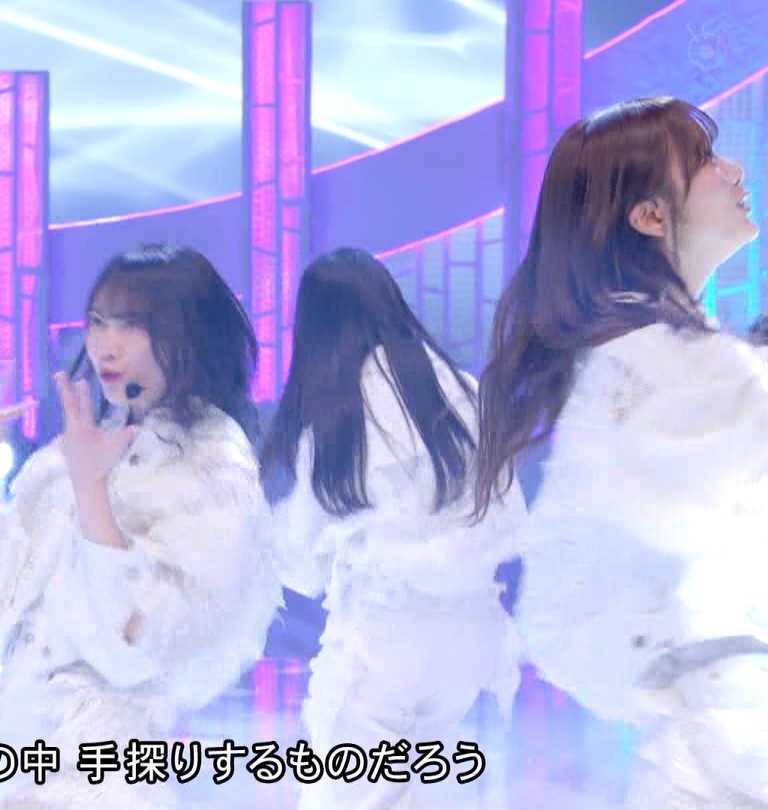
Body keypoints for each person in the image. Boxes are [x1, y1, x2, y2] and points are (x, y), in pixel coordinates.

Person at [472, 96, 767, 808]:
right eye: (704, 159)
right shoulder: (669, 367)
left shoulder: (642, 360)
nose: (733, 170)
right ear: (650, 215)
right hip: (727, 741)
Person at [0, 244, 283, 809]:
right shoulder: (85, 444)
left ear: (188, 333)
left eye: (133, 325)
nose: (105, 344)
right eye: (98, 322)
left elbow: (134, 647)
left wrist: (91, 488)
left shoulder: (215, 463)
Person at [258, 247, 522, 810]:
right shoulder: (466, 391)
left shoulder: (339, 415)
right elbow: (508, 515)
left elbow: (302, 562)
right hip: (471, 637)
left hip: (383, 639)